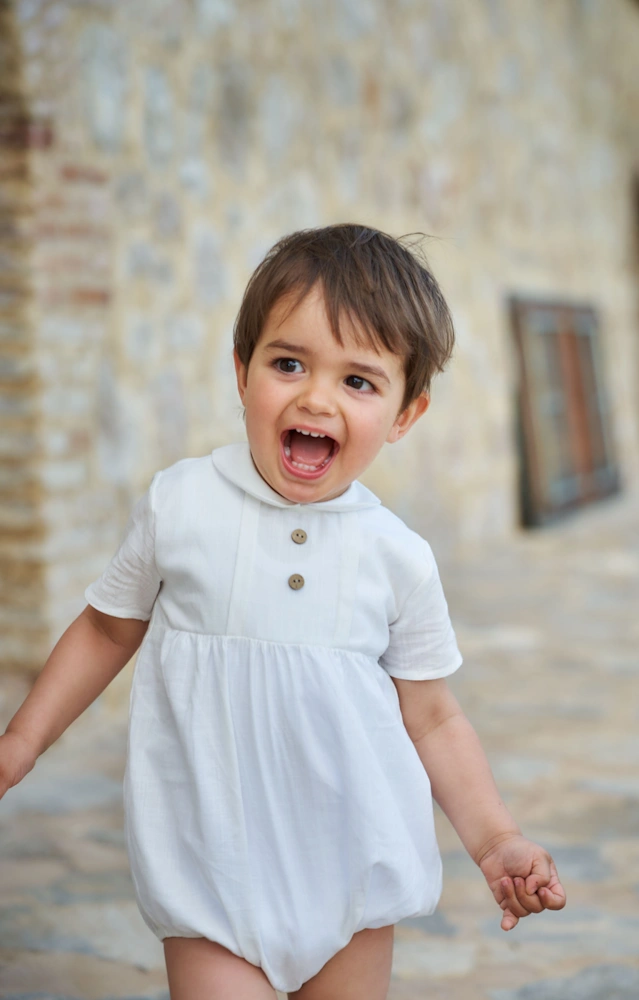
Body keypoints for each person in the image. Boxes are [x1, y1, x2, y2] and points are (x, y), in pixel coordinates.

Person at [0, 224, 566, 1000]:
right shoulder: (182, 505)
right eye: (289, 363)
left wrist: (496, 837)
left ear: (406, 413)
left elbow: (432, 718)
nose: (314, 397)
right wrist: (22, 741)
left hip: (350, 873)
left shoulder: (396, 557)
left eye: (358, 382)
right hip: (209, 870)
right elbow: (106, 627)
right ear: (242, 371)